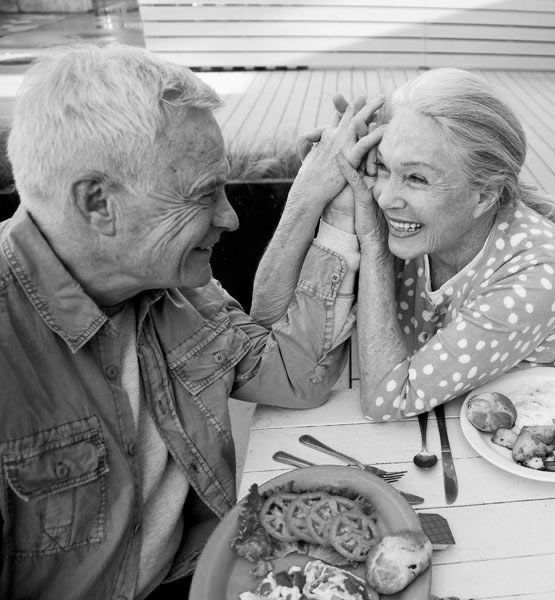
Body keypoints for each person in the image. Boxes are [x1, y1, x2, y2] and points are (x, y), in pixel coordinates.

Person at [0, 43, 382, 599]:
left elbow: (292, 375)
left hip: (200, 569)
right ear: (98, 203)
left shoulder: (170, 285)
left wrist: (327, 199)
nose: (229, 217)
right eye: (204, 194)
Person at [338, 68, 555, 420]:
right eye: (384, 167)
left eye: (417, 178)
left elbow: (386, 400)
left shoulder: (537, 274)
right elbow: (281, 328)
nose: (384, 198)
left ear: (484, 196)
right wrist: (318, 189)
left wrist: (374, 245)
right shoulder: (419, 221)